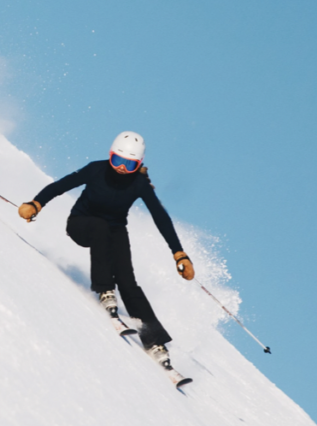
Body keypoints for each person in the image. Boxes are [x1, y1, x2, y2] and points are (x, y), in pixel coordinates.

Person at [18, 131, 194, 369]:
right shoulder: (96, 169)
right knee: (100, 227)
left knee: (128, 280)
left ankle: (155, 342)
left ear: (139, 164)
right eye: (117, 160)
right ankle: (104, 289)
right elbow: (61, 185)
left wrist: (179, 253)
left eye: (129, 164)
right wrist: (36, 203)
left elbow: (160, 217)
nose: (122, 168)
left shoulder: (139, 184)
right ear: (110, 156)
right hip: (81, 224)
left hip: (114, 231)